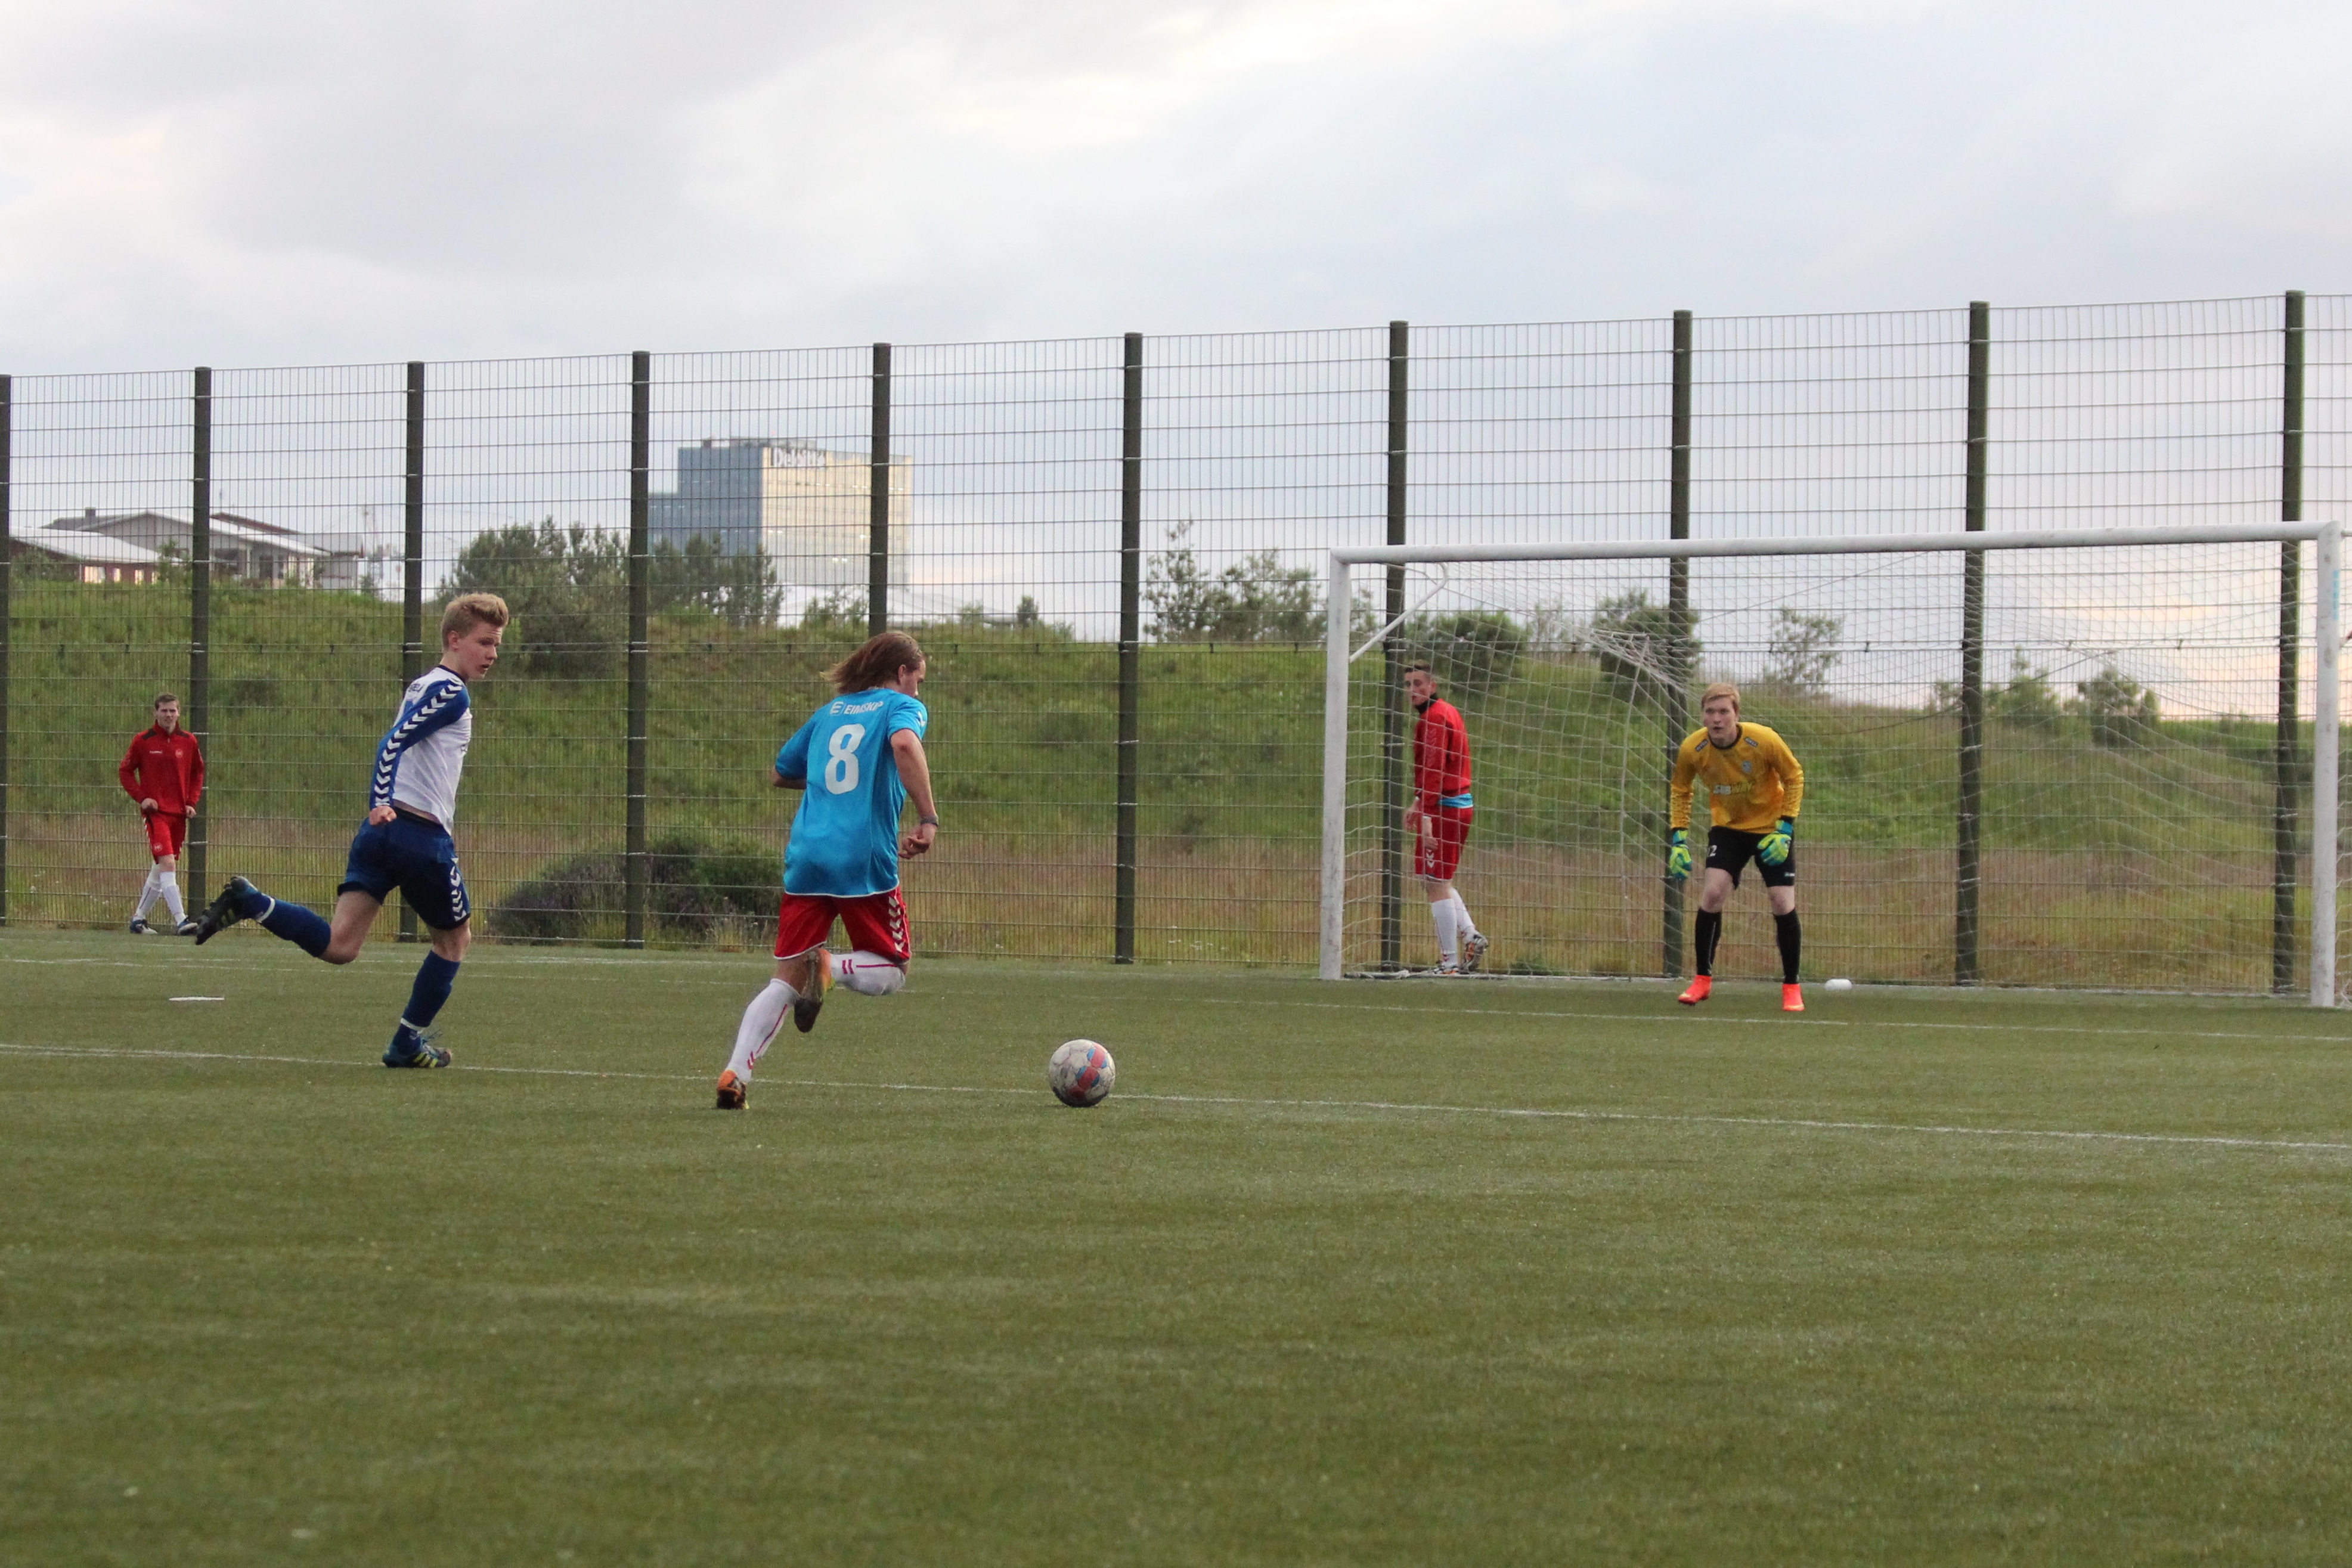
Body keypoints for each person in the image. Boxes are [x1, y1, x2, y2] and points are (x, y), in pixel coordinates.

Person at [193, 594, 510, 1067]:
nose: (492, 653)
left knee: (340, 946)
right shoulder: (452, 692)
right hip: (418, 837)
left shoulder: (424, 683)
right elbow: (392, 743)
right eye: (485, 642)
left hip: (379, 837)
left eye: (497, 644)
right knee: (454, 941)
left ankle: (253, 903)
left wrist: (380, 810)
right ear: (454, 639)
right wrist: (379, 800)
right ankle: (405, 1044)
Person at [715, 630, 937, 1110]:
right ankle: (830, 967)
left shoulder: (830, 712)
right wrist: (927, 817)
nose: (918, 691)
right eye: (917, 680)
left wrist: (829, 785)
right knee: (893, 969)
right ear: (901, 673)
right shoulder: (900, 708)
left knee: (784, 980)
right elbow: (904, 745)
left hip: (808, 856)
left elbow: (781, 772)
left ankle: (736, 1074)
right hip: (862, 859)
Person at [1666, 681, 1806, 1012]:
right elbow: (1681, 790)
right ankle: (1702, 980)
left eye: (1723, 712)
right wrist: (1678, 839)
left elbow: (1794, 776)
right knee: (1712, 894)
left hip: (1771, 830)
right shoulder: (1693, 748)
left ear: (1736, 714)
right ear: (1703, 715)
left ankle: (1792, 986)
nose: (1717, 719)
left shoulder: (1764, 740)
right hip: (1728, 830)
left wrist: (1786, 829)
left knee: (1781, 902)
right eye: (1710, 712)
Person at [1402, 661, 1488, 976]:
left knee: (1435, 882)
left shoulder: (1434, 718)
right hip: (1456, 804)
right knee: (1437, 879)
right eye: (1408, 684)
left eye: (1418, 684)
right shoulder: (1447, 711)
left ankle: (1449, 962)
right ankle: (1471, 935)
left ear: (1432, 686)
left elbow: (1435, 770)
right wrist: (1418, 802)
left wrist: (1426, 816)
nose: (1412, 690)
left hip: (1445, 808)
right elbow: (1437, 769)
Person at [119, 693, 204, 935]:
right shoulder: (143, 741)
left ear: (179, 713)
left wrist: (191, 802)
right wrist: (142, 798)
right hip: (156, 814)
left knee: (161, 867)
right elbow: (125, 771)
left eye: (172, 711)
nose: (168, 715)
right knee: (167, 863)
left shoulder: (188, 741)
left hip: (179, 815)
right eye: (164, 711)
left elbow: (198, 773)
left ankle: (138, 919)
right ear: (155, 712)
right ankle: (181, 920)